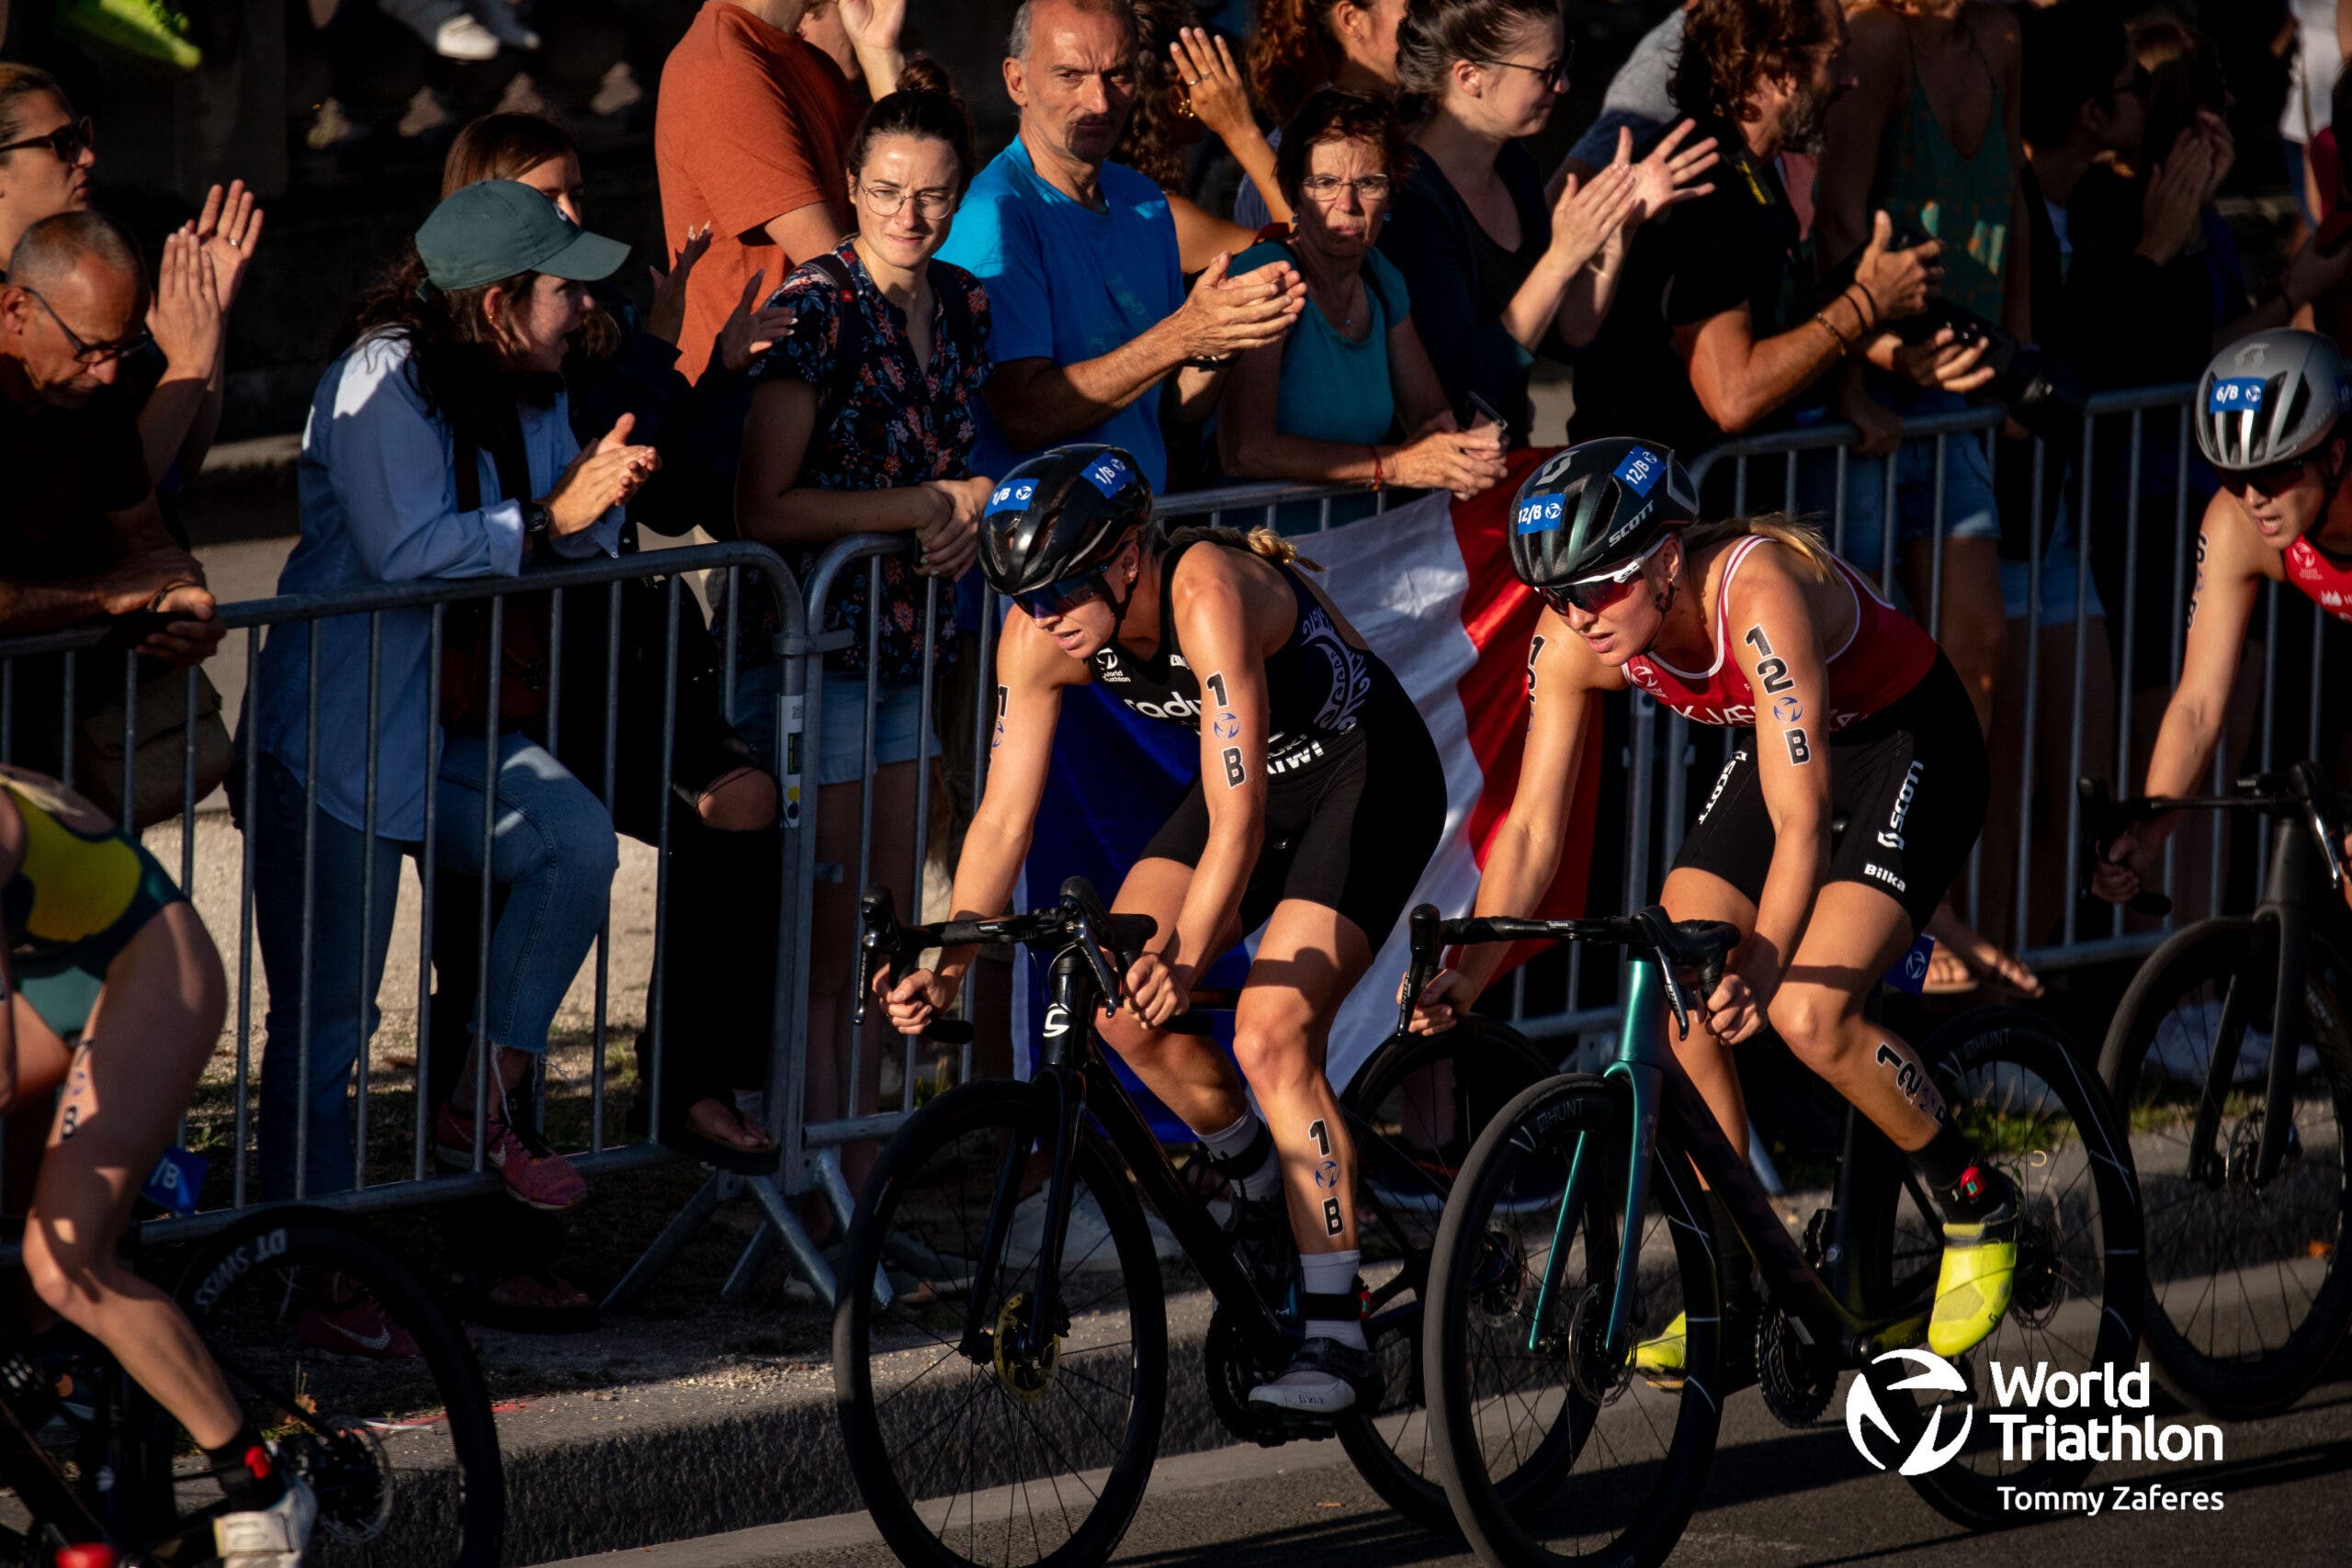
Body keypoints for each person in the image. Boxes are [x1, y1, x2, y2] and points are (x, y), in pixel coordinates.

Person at [1409, 439, 2016, 1363]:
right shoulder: (1574, 637)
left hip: (1908, 743)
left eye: (1598, 586)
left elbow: (1801, 817)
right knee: (1677, 982)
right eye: (1558, 596)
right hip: (1789, 750)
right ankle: (1732, 1282)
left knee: (1810, 1015)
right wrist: (1472, 975)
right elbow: (1531, 829)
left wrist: (1765, 966)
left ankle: (1973, 1196)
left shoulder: (1756, 588)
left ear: (1663, 558)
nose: (1579, 614)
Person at [877, 445, 1448, 1416]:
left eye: (1060, 585)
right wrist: (949, 956)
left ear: (1128, 555)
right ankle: (1260, 1177)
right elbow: (1002, 820)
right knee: (1113, 998)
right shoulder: (1038, 636)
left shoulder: (1207, 590)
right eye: (1024, 591)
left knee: (1269, 1035)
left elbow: (1240, 823)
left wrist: (1185, 959)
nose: (1044, 610)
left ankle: (1339, 1338)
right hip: (1255, 785)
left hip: (1365, 777)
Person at [246, 180, 648, 1211]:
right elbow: (406, 551)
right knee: (330, 1027)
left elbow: (557, 524)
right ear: (502, 299)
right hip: (330, 741)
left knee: (572, 846)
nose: (586, 311)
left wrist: (599, 496)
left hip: (438, 724)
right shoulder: (385, 372)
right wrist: (557, 515)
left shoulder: (531, 381)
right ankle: (311, 1272)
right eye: (568, 291)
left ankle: (480, 1102)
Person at [734, 62, 993, 1195]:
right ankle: (813, 1189)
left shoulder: (966, 303)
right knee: (828, 939)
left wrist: (961, 520)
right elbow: (762, 505)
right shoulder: (818, 305)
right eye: (885, 190)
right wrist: (922, 508)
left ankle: (866, 1176)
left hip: (913, 648)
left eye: (931, 194)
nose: (907, 215)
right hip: (817, 654)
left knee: (894, 938)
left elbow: (954, 474)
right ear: (850, 186)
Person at [2, 764, 316, 1562]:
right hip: (55, 979)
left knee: (63, 1260)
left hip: (148, 966)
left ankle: (260, 1481)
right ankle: (59, 1376)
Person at [1568, 0, 1965, 461]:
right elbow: (1733, 396)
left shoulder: (1750, 169)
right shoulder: (1705, 185)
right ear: (1781, 73)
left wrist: (1875, 349)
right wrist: (1867, 303)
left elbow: (1762, 329)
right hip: (1658, 505)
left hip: (1694, 496)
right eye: (1834, 58)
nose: (1851, 79)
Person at [937, 0, 1306, 495]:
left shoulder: (1144, 202)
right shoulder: (995, 215)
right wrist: (1182, 334)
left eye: (1118, 75)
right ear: (1017, 80)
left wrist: (1221, 339)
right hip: (1035, 553)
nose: (1099, 102)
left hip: (1134, 540)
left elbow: (1167, 411)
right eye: (1070, 75)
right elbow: (1024, 415)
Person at [1376, 0, 1716, 442]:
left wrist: (1619, 227)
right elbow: (1465, 384)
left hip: (1500, 470)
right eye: (1546, 72)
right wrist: (1561, 258)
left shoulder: (1513, 166)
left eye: (1564, 63)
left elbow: (1567, 335)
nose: (1565, 85)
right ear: (1469, 77)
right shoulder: (1411, 201)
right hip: (1427, 497)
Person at [2095, 330, 2352, 908]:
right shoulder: (2238, 525)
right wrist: (2150, 827)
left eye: (2277, 472)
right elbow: (2198, 705)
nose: (2255, 496)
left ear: (2334, 456)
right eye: (2235, 477)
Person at [0, 212, 224, 790]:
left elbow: (147, 539)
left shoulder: (94, 397)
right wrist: (111, 595)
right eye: (89, 349)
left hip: (54, 739)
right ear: (15, 310)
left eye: (125, 348)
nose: (107, 374)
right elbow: (127, 582)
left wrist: (182, 604)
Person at [1216, 88, 1507, 507]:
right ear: (1295, 192)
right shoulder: (1267, 276)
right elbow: (1244, 450)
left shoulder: (1379, 277)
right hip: (1263, 548)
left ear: (1391, 194)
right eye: (1326, 183)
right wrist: (1393, 465)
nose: (1347, 204)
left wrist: (1465, 446)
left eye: (1369, 183)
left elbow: (1430, 418)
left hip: (1356, 542)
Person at [0, 64, 264, 494]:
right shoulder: (18, 315)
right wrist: (189, 362)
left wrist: (206, 319)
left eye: (83, 136)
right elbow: (99, 497)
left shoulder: (93, 278)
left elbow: (182, 459)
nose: (87, 156)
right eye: (62, 144)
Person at [654, 0, 905, 380]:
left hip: (821, 385)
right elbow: (841, 268)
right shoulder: (721, 67)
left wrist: (879, 54)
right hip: (752, 408)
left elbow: (906, 205)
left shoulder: (803, 60)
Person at [1114, 3, 1295, 262]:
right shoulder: (1165, 218)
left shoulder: (1121, 197)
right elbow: (1309, 255)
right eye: (1206, 72)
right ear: (1179, 95)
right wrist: (1241, 130)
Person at [1236, 0, 1407, 229]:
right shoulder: (1289, 153)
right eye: (1412, 9)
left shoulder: (1423, 121)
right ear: (1351, 19)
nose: (1430, 22)